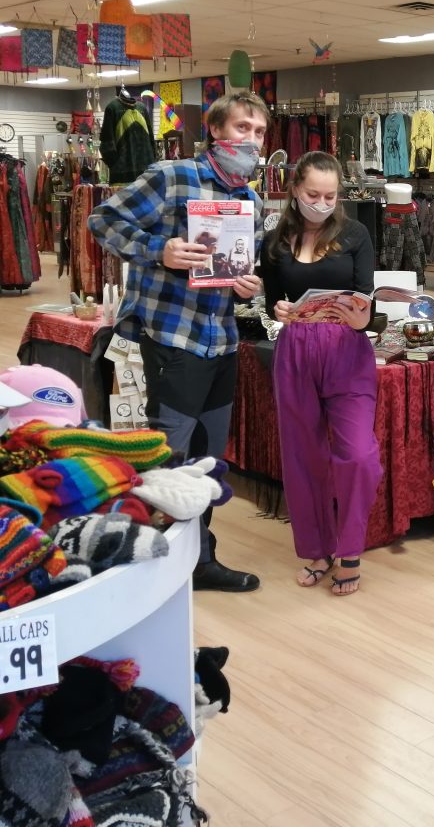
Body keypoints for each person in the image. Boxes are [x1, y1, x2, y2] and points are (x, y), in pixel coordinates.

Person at [88, 91, 268, 592]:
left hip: (222, 340)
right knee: (168, 456)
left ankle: (199, 560)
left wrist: (248, 286)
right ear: (216, 130)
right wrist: (157, 249)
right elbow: (102, 220)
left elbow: (239, 268)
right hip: (173, 336)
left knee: (207, 460)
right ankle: (155, 567)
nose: (251, 140)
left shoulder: (250, 202)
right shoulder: (172, 177)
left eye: (259, 132)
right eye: (242, 128)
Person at [261, 151, 382, 596]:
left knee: (359, 455)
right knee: (302, 457)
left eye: (330, 196)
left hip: (346, 350)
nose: (322, 203)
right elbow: (272, 302)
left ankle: (349, 550)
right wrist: (278, 310)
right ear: (295, 189)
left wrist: (361, 316)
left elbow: (366, 297)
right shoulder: (275, 241)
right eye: (313, 194)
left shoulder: (355, 234)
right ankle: (317, 549)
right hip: (295, 350)